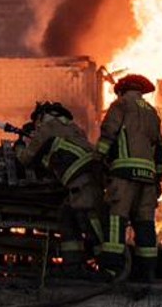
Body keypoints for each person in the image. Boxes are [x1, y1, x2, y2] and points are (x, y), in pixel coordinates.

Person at [13, 100, 105, 265]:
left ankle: (108, 266)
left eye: (36, 123)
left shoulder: (47, 128)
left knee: (91, 226)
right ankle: (73, 265)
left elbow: (25, 159)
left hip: (82, 186)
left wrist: (19, 144)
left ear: (41, 117)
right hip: (90, 181)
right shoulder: (74, 128)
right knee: (66, 216)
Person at [94, 73, 162, 283]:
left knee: (117, 220)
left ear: (122, 91)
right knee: (144, 223)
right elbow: (160, 151)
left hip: (124, 174)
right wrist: (157, 178)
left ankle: (112, 271)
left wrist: (97, 159)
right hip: (148, 178)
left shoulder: (121, 105)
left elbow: (109, 134)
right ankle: (147, 273)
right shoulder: (153, 113)